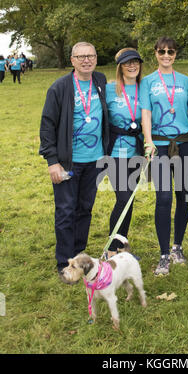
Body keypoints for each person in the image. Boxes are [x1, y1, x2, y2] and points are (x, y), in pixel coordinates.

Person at [39, 42, 109, 276]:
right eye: (81, 57)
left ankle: (79, 255)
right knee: (66, 211)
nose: (86, 60)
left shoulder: (101, 81)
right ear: (72, 60)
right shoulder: (60, 88)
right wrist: (52, 161)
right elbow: (47, 125)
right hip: (68, 162)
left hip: (95, 160)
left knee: (85, 209)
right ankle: (64, 262)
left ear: (96, 58)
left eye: (90, 55)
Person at [140, 36, 188, 275]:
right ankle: (163, 254)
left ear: (175, 54)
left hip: (184, 144)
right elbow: (146, 114)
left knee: (184, 194)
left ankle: (177, 246)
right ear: (155, 53)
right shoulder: (148, 82)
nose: (166, 55)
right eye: (161, 51)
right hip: (160, 145)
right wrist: (148, 141)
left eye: (170, 51)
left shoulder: (184, 80)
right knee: (163, 198)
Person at [105, 48, 144, 258]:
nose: (132, 66)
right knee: (123, 198)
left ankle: (121, 247)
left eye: (135, 62)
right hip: (114, 152)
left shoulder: (143, 88)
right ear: (120, 66)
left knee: (129, 202)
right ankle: (112, 250)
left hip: (136, 151)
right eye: (127, 63)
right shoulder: (109, 89)